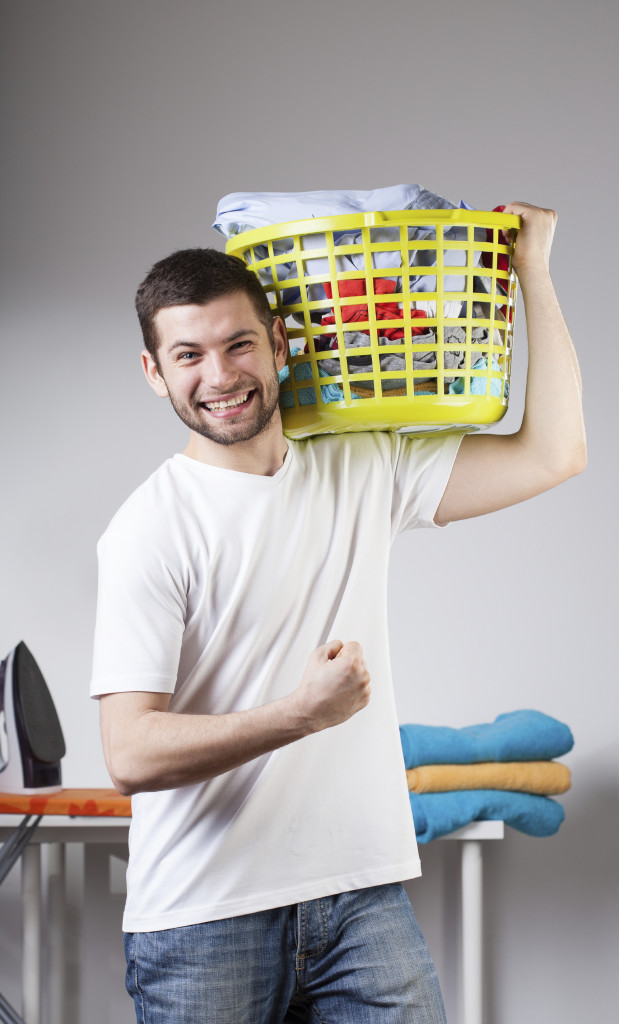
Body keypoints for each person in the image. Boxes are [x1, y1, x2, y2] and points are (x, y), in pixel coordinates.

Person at [91, 201, 585, 1023]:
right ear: (154, 371)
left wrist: (532, 269)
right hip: (204, 920)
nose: (219, 375)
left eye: (238, 343)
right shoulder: (149, 528)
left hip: (360, 898)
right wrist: (300, 714)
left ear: (279, 343)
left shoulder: (360, 464)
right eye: (188, 355)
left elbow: (553, 452)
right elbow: (130, 753)